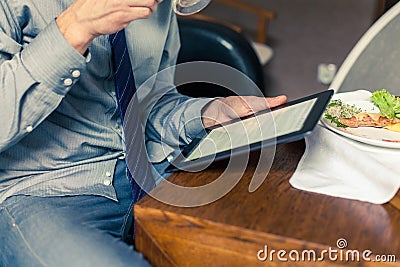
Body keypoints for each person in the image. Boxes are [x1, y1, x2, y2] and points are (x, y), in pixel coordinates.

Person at [0, 0, 286, 266]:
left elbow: (151, 103)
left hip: (152, 168)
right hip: (43, 190)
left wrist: (208, 112)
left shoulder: (157, 8)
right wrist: (74, 29)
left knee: (272, 232)